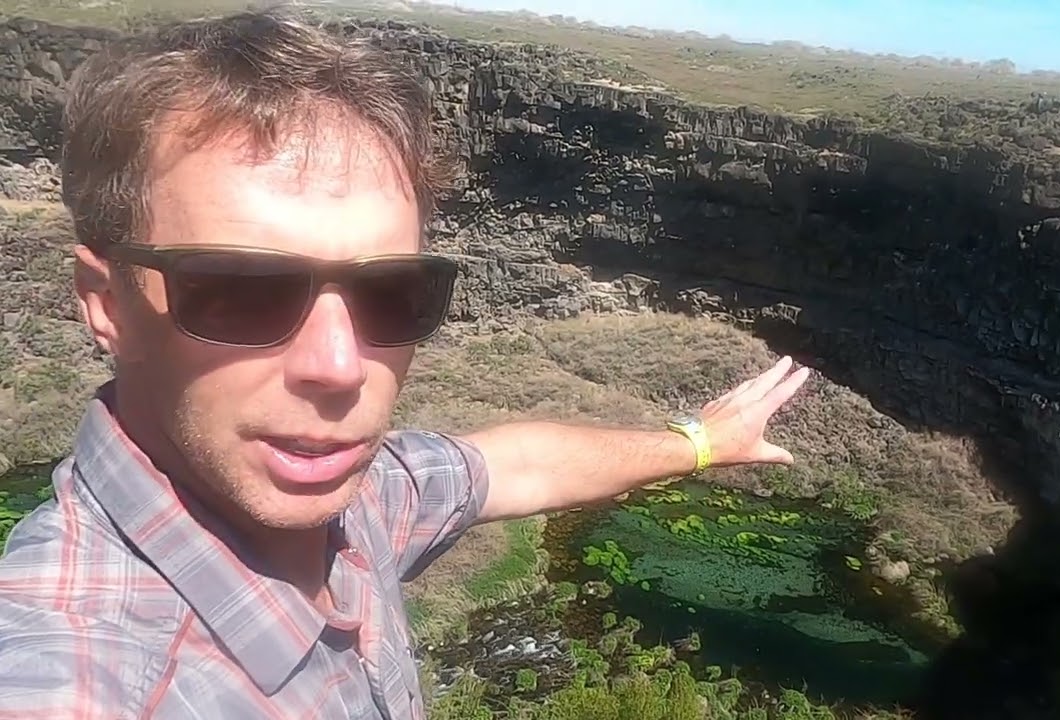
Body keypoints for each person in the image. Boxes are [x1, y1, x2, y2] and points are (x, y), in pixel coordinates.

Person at [0, 9, 810, 719]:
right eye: (239, 291)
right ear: (103, 302)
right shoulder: (86, 670)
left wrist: (700, 440)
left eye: (392, 293)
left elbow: (512, 467)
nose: (340, 367)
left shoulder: (361, 503)